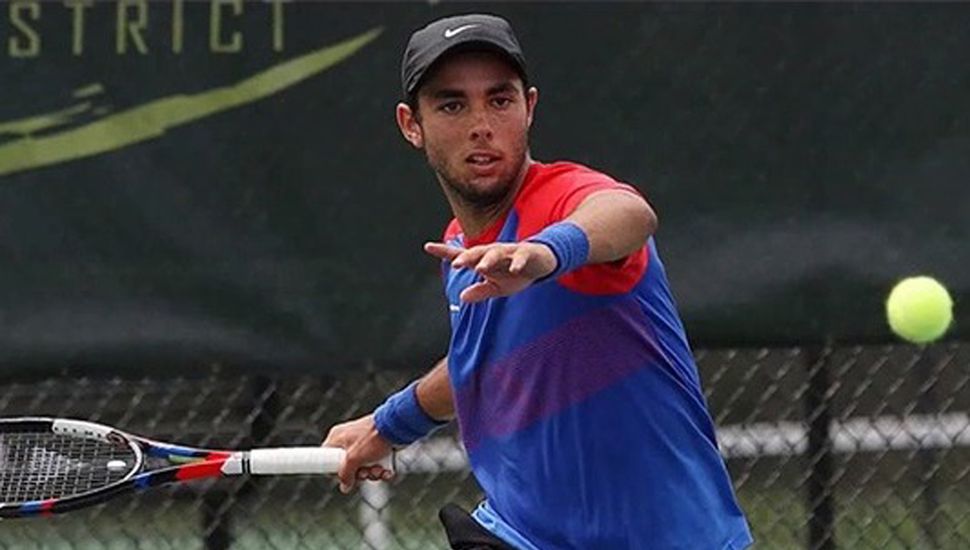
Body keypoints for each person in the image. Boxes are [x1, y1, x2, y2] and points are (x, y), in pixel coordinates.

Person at [323, 13, 753, 550]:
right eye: (452, 104)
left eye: (499, 100)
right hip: (524, 535)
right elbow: (487, 363)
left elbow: (628, 213)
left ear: (528, 107)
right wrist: (389, 425)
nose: (481, 123)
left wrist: (549, 252)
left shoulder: (562, 199)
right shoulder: (459, 251)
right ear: (413, 125)